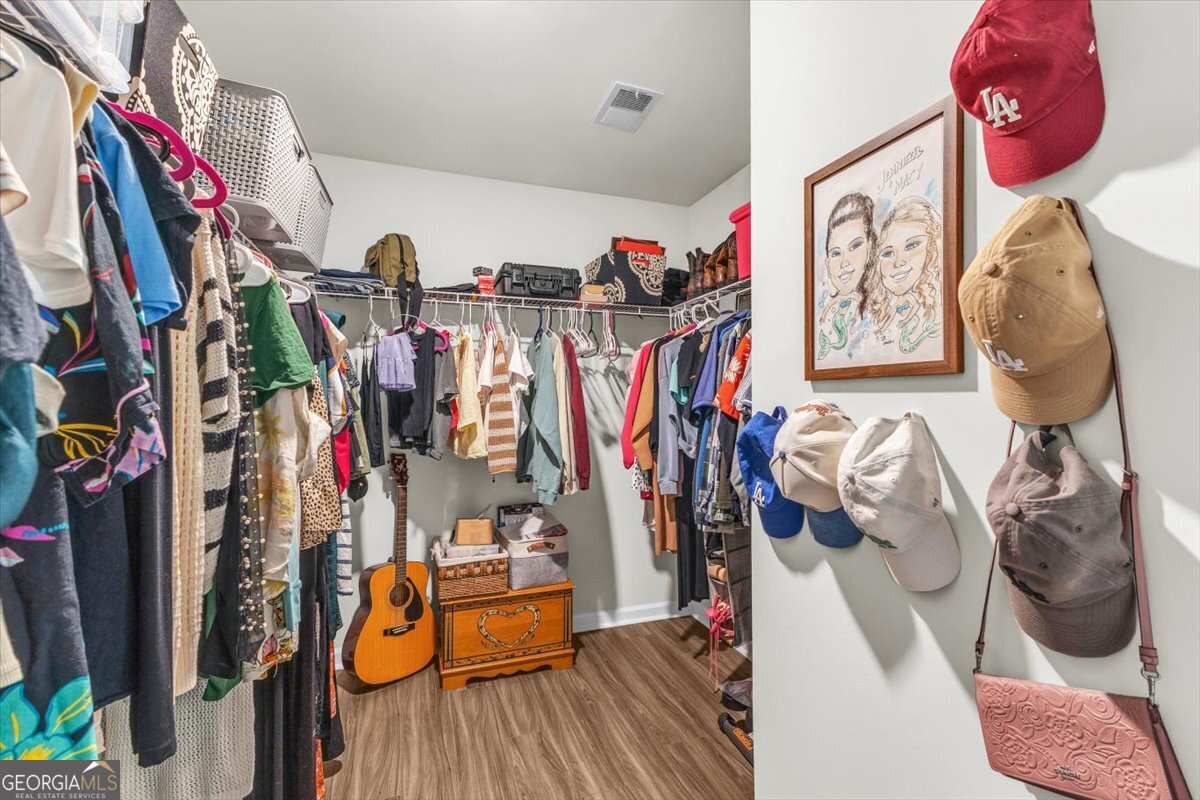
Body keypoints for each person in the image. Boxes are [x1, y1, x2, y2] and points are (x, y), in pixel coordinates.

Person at [866, 196, 942, 354]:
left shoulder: (939, 309)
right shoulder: (879, 313)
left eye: (912, 245)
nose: (898, 262)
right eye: (887, 253)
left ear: (935, 245)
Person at [817, 193, 876, 360]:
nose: (844, 263)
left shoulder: (879, 308)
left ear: (870, 248)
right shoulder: (827, 314)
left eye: (855, 246)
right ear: (827, 264)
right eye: (836, 253)